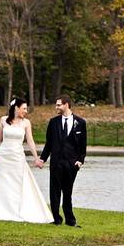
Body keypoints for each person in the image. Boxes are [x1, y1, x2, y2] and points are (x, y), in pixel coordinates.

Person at [0, 98, 54, 223]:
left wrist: (36, 158)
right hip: (3, 156)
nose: (26, 111)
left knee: (17, 182)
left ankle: (16, 209)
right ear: (16, 108)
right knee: (2, 180)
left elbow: (30, 141)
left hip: (17, 156)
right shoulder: (3, 120)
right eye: (24, 108)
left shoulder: (26, 123)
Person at [39, 94, 87, 227]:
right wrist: (42, 159)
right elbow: (48, 144)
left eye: (58, 104)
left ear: (66, 105)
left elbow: (83, 144)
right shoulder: (53, 122)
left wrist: (80, 160)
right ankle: (56, 219)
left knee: (68, 192)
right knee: (54, 192)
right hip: (56, 163)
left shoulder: (80, 123)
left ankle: (70, 221)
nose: (56, 107)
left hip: (72, 164)